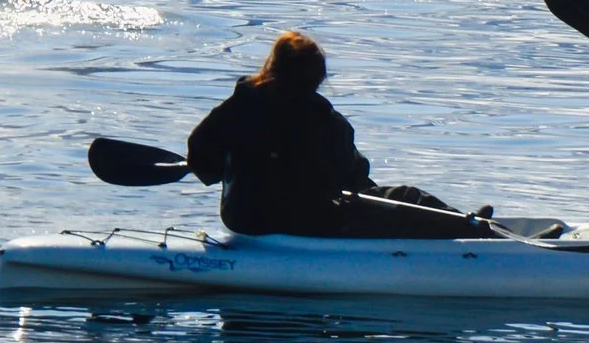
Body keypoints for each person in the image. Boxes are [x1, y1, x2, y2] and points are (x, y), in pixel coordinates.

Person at [188, 32, 489, 239]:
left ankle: (464, 224)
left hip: (242, 221)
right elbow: (352, 177)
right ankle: (470, 229)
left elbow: (200, 153)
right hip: (305, 226)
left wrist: (225, 166)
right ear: (316, 77)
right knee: (403, 198)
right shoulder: (326, 123)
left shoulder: (237, 107)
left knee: (384, 203)